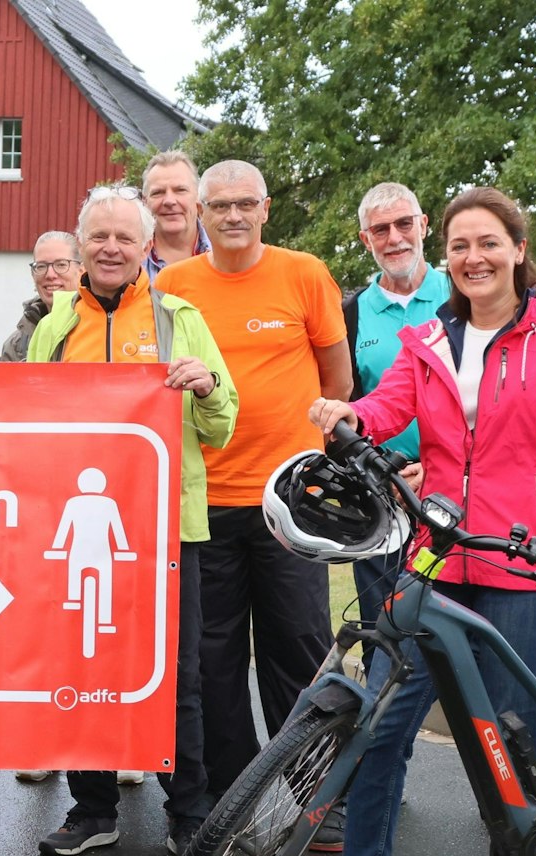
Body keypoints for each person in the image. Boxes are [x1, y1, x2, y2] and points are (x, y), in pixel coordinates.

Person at [273, 186, 536, 856]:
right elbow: (388, 405)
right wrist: (348, 419)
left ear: (517, 247)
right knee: (381, 719)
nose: (472, 257)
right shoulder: (429, 340)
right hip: (437, 554)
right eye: (459, 246)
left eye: (488, 242)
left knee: (508, 741)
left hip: (528, 563)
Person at [22, 187, 237, 856]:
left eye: (124, 237)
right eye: (99, 237)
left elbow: (223, 424)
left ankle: (189, 810)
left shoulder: (180, 318)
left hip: (170, 528)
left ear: (148, 247)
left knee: (180, 673)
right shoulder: (55, 325)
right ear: (82, 244)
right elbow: (28, 424)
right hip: (81, 532)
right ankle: (92, 809)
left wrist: (205, 386)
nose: (111, 248)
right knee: (82, 665)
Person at [156, 159, 352, 808]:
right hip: (202, 501)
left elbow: (338, 380)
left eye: (246, 203)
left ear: (267, 209)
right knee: (211, 664)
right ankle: (230, 805)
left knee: (298, 648)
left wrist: (303, 455)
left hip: (288, 504)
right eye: (220, 206)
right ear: (201, 217)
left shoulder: (304, 274)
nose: (234, 215)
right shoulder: (176, 284)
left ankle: (316, 798)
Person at [309, 181, 448, 850]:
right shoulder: (351, 311)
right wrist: (382, 474)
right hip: (385, 504)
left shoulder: (466, 294)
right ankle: (383, 777)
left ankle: (510, 793)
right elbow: (347, 404)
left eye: (403, 224)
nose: (394, 238)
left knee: (474, 646)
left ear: (424, 223)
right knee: (386, 643)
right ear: (365, 240)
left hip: (464, 501)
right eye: (379, 230)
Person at [0, 230, 77, 362]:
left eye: (61, 265)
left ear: (81, 270)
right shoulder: (17, 345)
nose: (50, 275)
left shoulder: (96, 329)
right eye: (41, 266)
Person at [141, 151, 211, 277]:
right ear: (145, 202)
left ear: (198, 197)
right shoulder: (131, 262)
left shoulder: (225, 253)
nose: (169, 201)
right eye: (158, 192)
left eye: (180, 190)